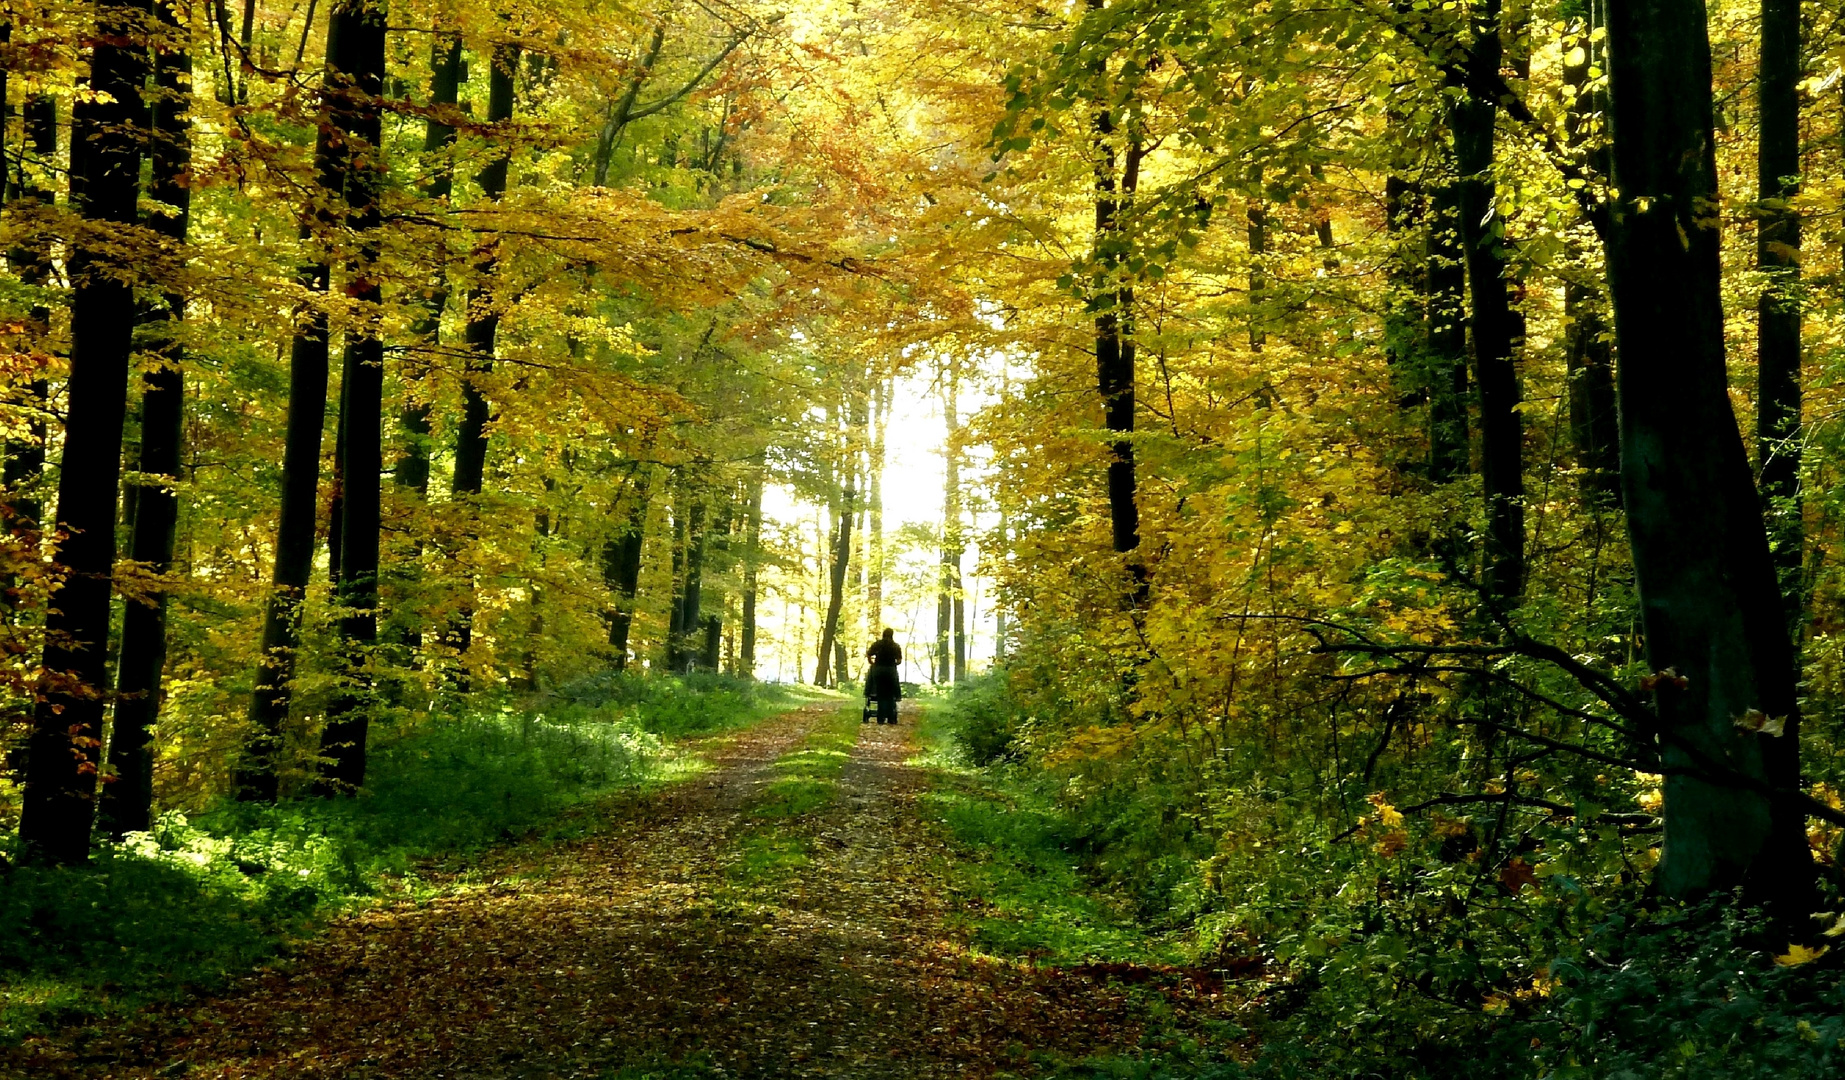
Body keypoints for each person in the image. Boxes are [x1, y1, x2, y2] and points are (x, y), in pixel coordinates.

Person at [864, 629, 902, 724]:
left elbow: (868, 654)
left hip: (879, 670)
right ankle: (891, 716)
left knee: (880, 692)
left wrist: (872, 663)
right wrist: (894, 664)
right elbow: (899, 660)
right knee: (890, 692)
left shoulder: (877, 644)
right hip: (890, 670)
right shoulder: (895, 646)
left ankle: (880, 717)